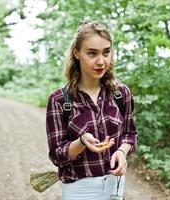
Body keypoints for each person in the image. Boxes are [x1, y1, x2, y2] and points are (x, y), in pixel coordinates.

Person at [46, 20, 138, 200]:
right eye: (92, 53)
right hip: (78, 190)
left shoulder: (121, 93)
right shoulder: (59, 100)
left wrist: (121, 151)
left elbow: (130, 134)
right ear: (76, 53)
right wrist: (82, 142)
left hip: (115, 187)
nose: (101, 61)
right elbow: (57, 155)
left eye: (106, 52)